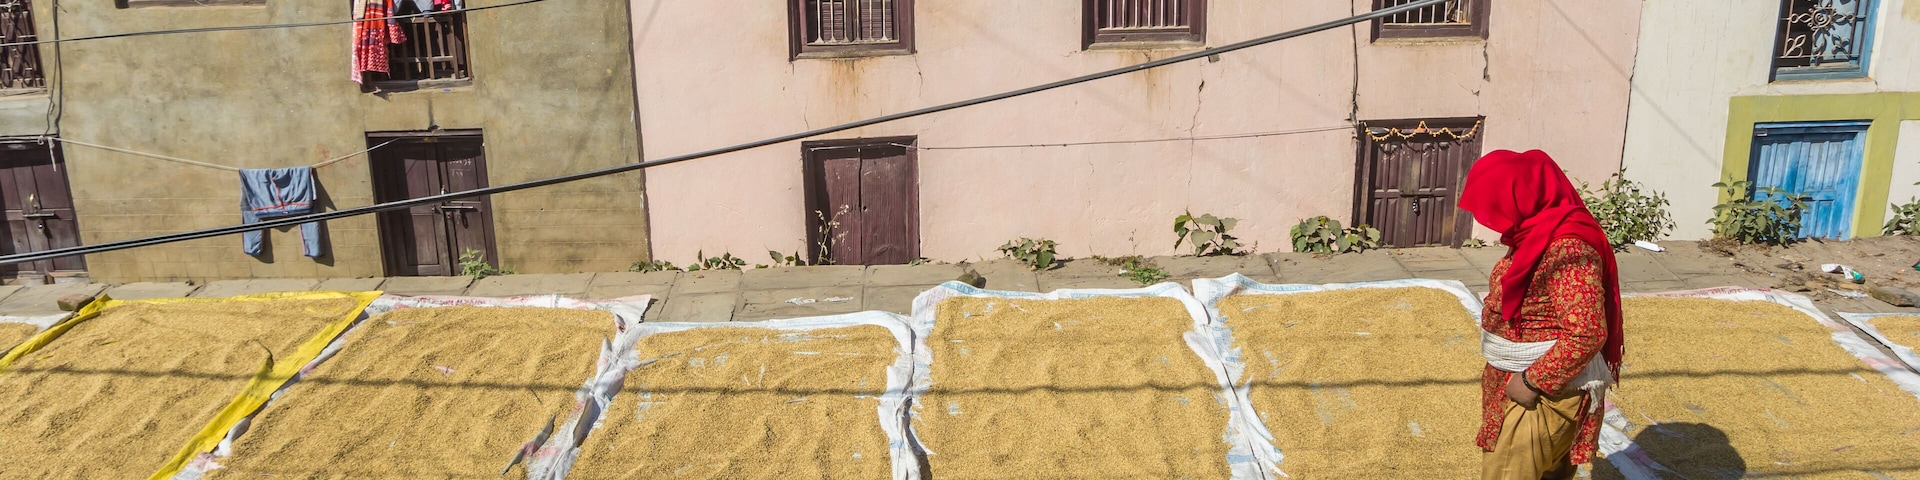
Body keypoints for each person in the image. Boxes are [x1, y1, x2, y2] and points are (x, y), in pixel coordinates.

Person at [1456, 150, 1624, 480]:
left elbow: (1587, 331)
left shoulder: (1567, 248)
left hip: (1541, 395)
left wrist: (1533, 381)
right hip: (1520, 385)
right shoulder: (1535, 234)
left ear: (1521, 196)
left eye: (1494, 202)